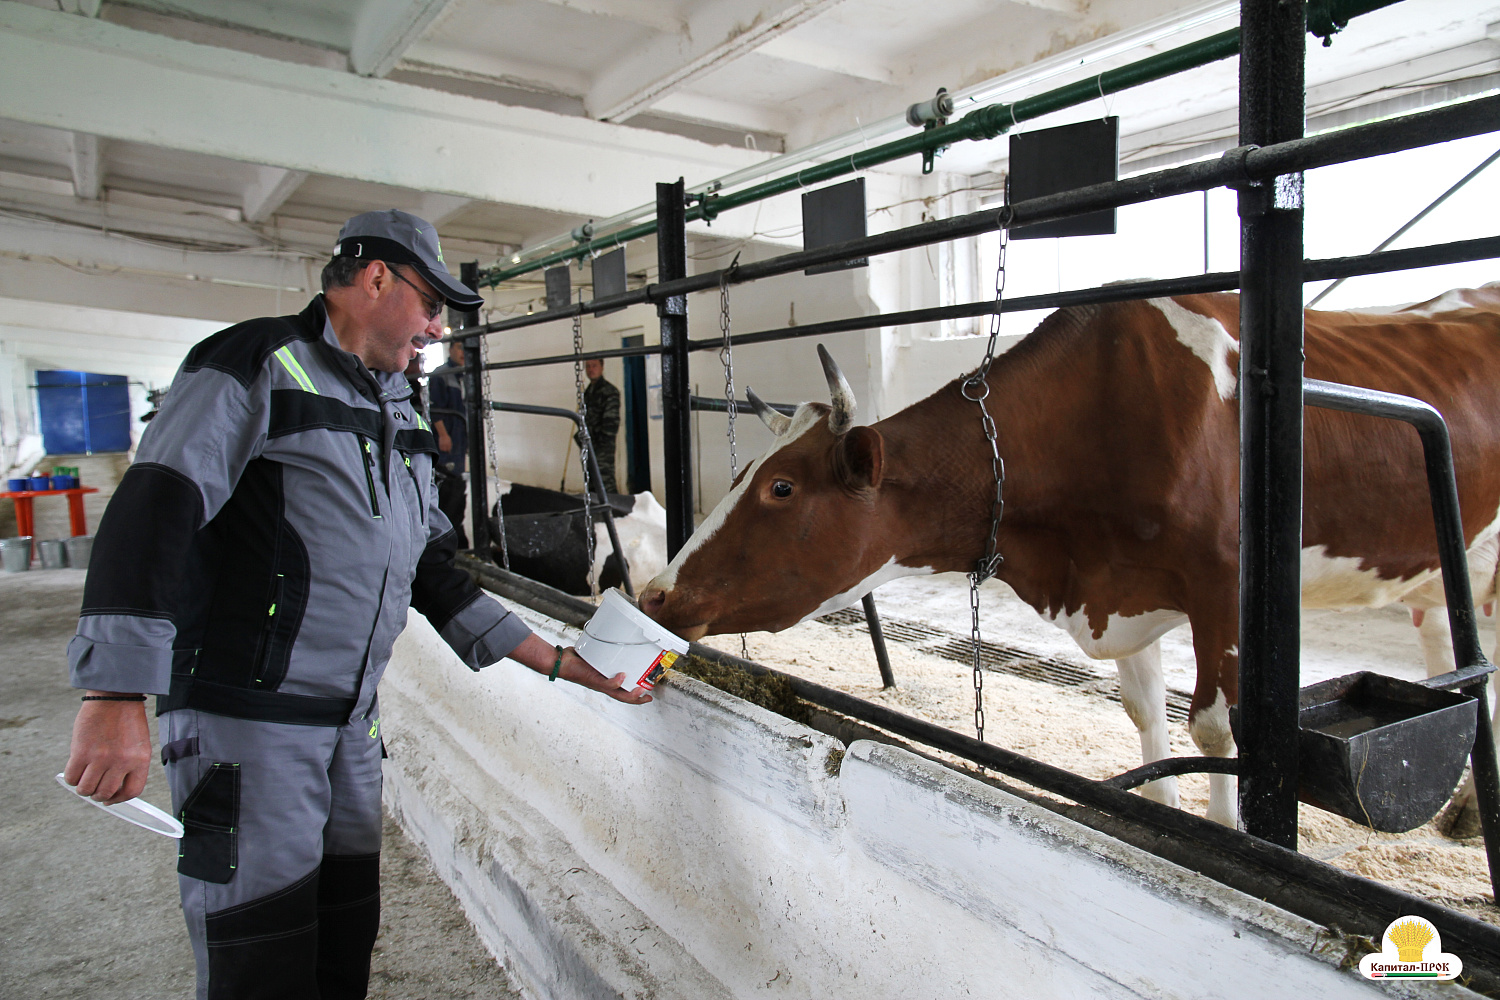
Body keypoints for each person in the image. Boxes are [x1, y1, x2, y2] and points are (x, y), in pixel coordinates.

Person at [61, 209, 650, 1000]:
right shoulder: (254, 363)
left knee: (342, 944)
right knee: (258, 960)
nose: (436, 330)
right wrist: (113, 692)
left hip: (349, 728)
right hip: (250, 723)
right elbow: (154, 510)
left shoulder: (399, 410)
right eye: (431, 305)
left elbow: (433, 571)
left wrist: (564, 665)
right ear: (378, 278)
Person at [428, 340, 469, 547]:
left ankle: (455, 527)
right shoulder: (441, 374)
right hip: (447, 437)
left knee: (458, 480)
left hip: (460, 437)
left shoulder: (465, 374)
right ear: (451, 349)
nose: (463, 352)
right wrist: (443, 435)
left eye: (466, 348)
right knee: (445, 480)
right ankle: (440, 531)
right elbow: (436, 409)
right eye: (460, 347)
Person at [582, 357, 621, 495]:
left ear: (602, 367)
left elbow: (611, 423)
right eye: (588, 366)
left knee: (605, 482)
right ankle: (595, 514)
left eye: (594, 365)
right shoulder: (587, 393)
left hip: (602, 446)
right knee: (591, 482)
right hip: (589, 445)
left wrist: (600, 443)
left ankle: (614, 514)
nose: (591, 369)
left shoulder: (609, 391)